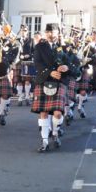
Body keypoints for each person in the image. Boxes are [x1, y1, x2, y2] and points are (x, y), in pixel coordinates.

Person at [31, 23, 70, 152]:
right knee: (44, 112)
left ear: (57, 33)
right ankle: (45, 142)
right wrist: (49, 72)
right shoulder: (40, 46)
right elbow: (37, 64)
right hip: (44, 80)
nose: (50, 34)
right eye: (48, 32)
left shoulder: (63, 46)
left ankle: (55, 132)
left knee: (58, 114)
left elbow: (71, 62)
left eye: (52, 32)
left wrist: (66, 67)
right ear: (45, 33)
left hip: (59, 81)